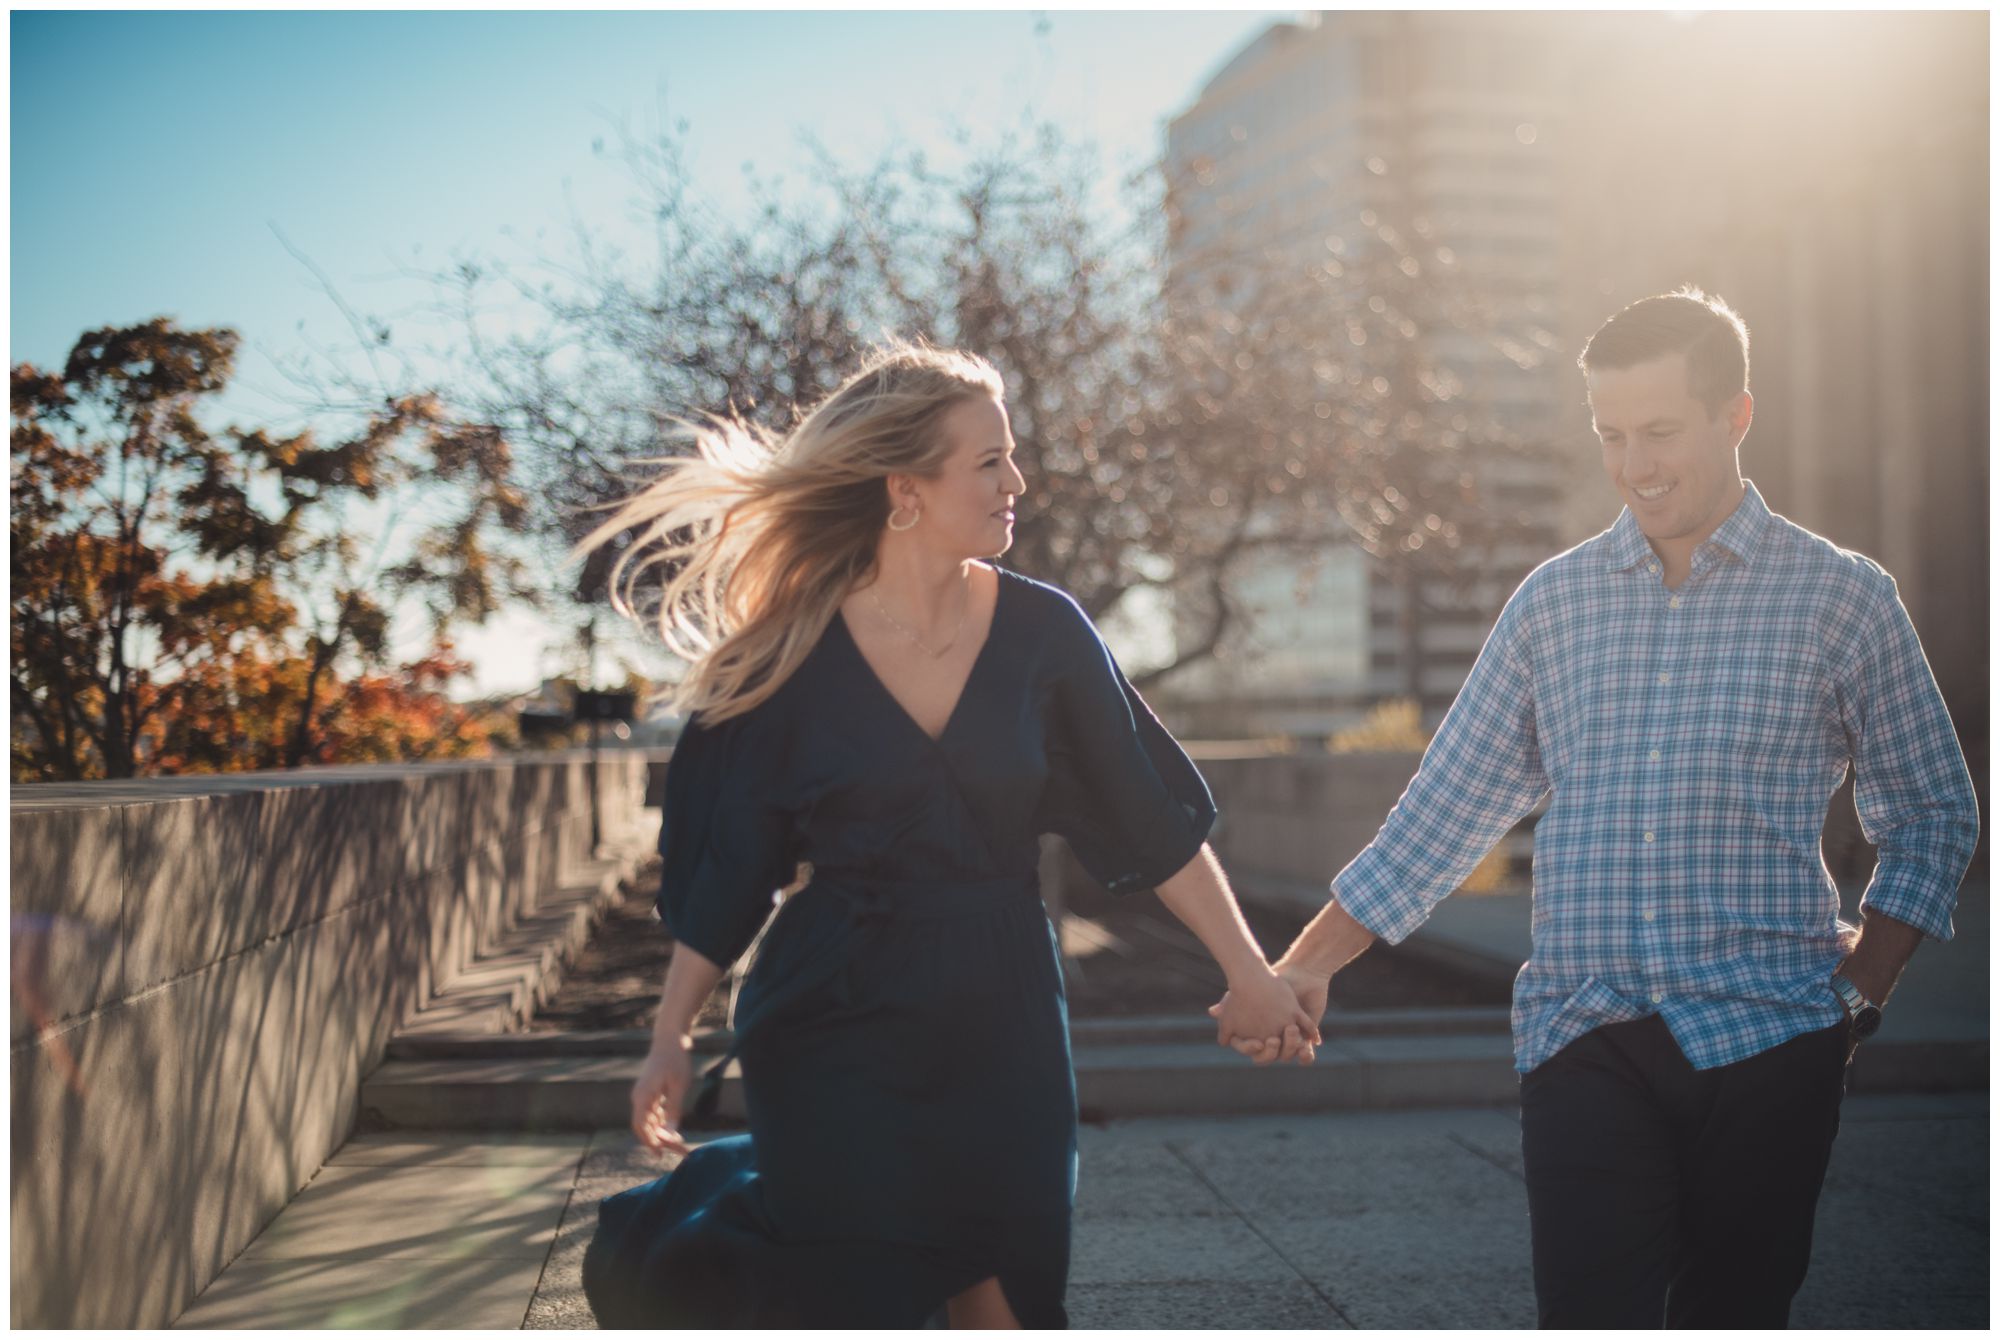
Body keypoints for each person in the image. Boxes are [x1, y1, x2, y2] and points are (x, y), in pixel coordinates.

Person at [1252, 289, 1979, 1326]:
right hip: (1580, 1032)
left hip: (1770, 1035)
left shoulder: (1841, 597)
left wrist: (1857, 993)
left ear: (1733, 415)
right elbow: (1443, 809)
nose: (1633, 463)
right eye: (1609, 434)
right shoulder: (1553, 602)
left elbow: (1931, 811)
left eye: (1659, 431)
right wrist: (1303, 964)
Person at [577, 342, 1318, 1329]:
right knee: (863, 1286)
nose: (1017, 481)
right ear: (903, 489)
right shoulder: (786, 655)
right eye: (988, 461)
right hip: (834, 1006)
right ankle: (685, 1252)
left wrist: (1248, 970)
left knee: (1007, 1289)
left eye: (1010, 457)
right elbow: (731, 874)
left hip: (1000, 999)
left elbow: (1151, 815)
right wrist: (670, 1035)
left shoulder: (1044, 632)